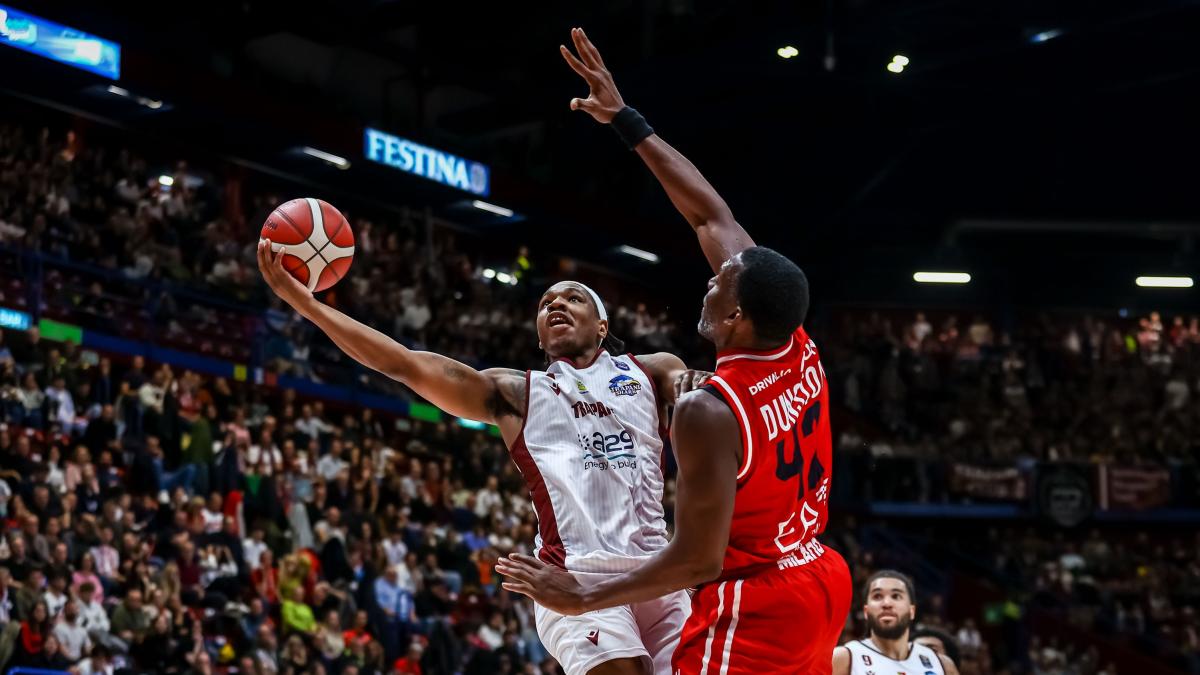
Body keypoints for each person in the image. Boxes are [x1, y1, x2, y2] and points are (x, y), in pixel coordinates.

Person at [497, 27, 852, 675]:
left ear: (737, 315)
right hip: (820, 568)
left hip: (759, 595)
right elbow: (710, 219)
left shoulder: (711, 409)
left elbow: (697, 560)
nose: (710, 279)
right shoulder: (795, 341)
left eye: (720, 283)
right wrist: (626, 121)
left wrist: (585, 595)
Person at [258, 195, 697, 674]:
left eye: (573, 298)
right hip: (573, 579)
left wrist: (694, 386)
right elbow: (403, 363)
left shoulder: (652, 372)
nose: (556, 304)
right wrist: (308, 306)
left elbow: (698, 389)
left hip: (658, 574)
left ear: (602, 325)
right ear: (538, 335)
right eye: (547, 301)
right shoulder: (516, 393)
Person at [832, 571, 959, 675]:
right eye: (877, 596)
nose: (887, 603)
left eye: (896, 596)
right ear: (866, 611)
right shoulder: (844, 658)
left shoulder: (942, 665)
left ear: (912, 610)